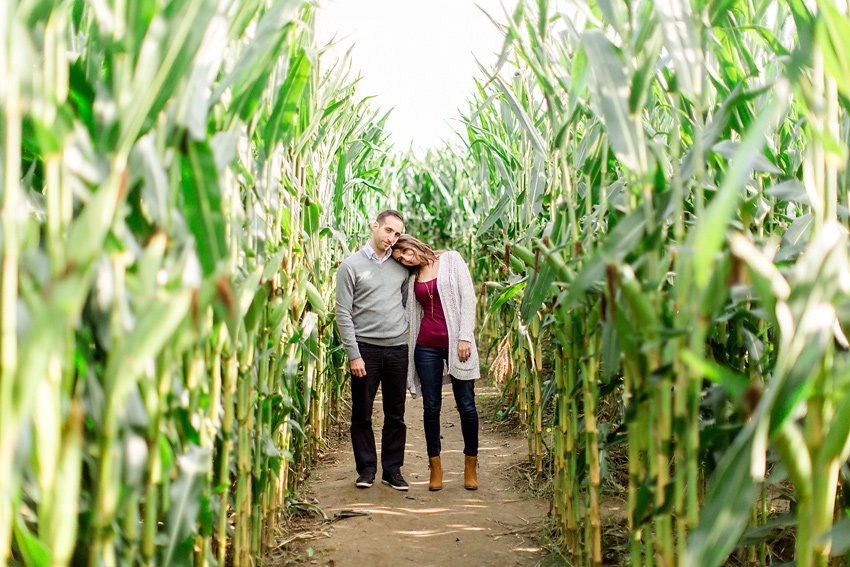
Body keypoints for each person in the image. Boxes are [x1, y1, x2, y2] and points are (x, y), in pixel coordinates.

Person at [393, 234, 480, 491]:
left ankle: (470, 465)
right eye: (401, 259)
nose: (407, 259)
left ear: (413, 243)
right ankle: (436, 467)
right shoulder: (411, 278)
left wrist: (465, 337)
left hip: (458, 345)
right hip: (426, 347)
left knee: (467, 406)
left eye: (406, 252)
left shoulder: (452, 260)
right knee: (431, 408)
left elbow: (469, 299)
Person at [334, 210, 410, 491]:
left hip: (397, 349)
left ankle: (393, 471)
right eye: (389, 231)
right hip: (366, 350)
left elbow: (402, 303)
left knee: (396, 414)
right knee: (362, 414)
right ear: (375, 227)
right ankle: (366, 470)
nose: (392, 238)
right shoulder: (350, 266)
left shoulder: (401, 266)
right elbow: (343, 312)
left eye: (398, 234)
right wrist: (354, 354)